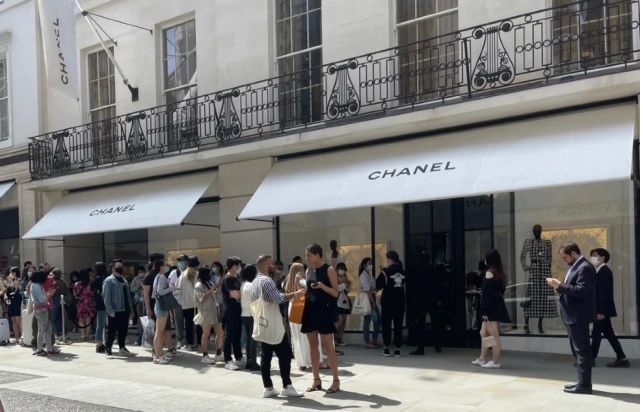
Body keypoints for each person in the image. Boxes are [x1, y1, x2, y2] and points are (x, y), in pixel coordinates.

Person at [546, 243, 596, 395]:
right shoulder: (577, 266)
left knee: (582, 351)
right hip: (572, 316)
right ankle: (581, 382)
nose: (565, 260)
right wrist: (559, 286)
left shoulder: (585, 267)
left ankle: (584, 385)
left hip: (578, 316)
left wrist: (559, 285)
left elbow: (581, 291)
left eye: (565, 257)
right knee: (579, 351)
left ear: (573, 253)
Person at [251, 254, 303, 398]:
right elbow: (276, 299)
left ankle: (268, 388)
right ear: (266, 265)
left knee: (265, 356)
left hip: (262, 324)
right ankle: (287, 385)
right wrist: (295, 294)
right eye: (271, 263)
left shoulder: (255, 281)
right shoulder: (266, 281)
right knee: (285, 355)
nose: (273, 265)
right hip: (273, 324)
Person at [302, 244, 341, 394]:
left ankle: (336, 380)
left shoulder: (329, 269)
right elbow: (308, 290)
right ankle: (316, 379)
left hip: (324, 310)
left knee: (327, 344)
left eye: (309, 255)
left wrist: (323, 287)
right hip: (310, 310)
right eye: (306, 255)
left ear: (318, 255)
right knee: (312, 344)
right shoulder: (308, 270)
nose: (307, 258)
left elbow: (336, 293)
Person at [589, 248, 629, 367]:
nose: (592, 258)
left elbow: (603, 293)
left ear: (603, 257)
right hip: (603, 310)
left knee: (596, 334)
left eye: (595, 255)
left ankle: (590, 359)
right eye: (591, 256)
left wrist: (600, 311)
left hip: (602, 310)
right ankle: (622, 358)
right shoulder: (599, 271)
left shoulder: (604, 271)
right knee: (609, 334)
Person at [472, 250, 511, 368]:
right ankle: (482, 358)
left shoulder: (489, 273)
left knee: (492, 335)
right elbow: (498, 292)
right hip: (495, 307)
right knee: (485, 333)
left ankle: (495, 362)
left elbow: (487, 295)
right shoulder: (500, 273)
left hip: (490, 309)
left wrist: (484, 311)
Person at [102, 259, 135, 358]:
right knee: (112, 330)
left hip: (125, 309)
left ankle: (122, 347)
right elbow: (106, 297)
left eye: (121, 266)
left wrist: (131, 309)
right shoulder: (109, 280)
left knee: (123, 330)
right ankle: (108, 349)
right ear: (113, 268)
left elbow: (128, 296)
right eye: (118, 267)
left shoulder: (124, 279)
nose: (121, 268)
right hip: (115, 310)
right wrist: (110, 310)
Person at [377, 251, 406, 358]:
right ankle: (397, 349)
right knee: (398, 326)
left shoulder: (386, 272)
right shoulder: (403, 272)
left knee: (386, 325)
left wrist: (382, 271)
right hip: (400, 302)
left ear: (389, 259)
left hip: (388, 302)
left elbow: (378, 285)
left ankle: (386, 349)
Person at [151, 258, 180, 364]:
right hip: (162, 307)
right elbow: (160, 292)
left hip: (159, 306)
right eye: (165, 265)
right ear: (161, 267)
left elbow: (155, 293)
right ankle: (158, 356)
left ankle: (159, 354)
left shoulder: (158, 276)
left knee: (159, 332)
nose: (166, 266)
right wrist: (171, 288)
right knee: (159, 332)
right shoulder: (162, 277)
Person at [221, 256, 243, 370]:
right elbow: (235, 294)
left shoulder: (236, 278)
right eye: (236, 265)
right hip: (230, 311)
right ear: (231, 266)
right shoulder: (227, 279)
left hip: (238, 310)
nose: (238, 267)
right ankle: (227, 360)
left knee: (237, 335)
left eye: (239, 265)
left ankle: (238, 357)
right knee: (229, 335)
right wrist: (243, 293)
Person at [194, 267, 219, 364]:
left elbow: (211, 295)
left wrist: (214, 292)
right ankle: (204, 355)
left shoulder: (208, 283)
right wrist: (211, 291)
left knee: (219, 332)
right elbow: (201, 298)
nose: (210, 275)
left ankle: (219, 352)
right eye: (208, 273)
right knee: (206, 334)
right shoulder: (198, 285)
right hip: (205, 311)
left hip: (213, 310)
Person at [29, 271, 57, 356]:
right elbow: (42, 299)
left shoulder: (35, 285)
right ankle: (40, 349)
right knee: (42, 330)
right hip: (41, 310)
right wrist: (50, 293)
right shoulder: (36, 286)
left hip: (41, 309)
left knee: (47, 329)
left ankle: (47, 348)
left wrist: (48, 292)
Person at [176, 256, 200, 350]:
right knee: (199, 324)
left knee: (189, 324)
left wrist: (181, 302)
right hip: (198, 303)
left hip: (187, 304)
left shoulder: (183, 275)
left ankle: (189, 344)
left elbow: (177, 291)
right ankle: (199, 343)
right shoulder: (198, 274)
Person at [240, 264, 260, 371]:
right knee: (253, 340)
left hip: (244, 313)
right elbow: (256, 300)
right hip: (252, 314)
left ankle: (249, 360)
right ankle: (253, 362)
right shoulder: (251, 285)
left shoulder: (243, 284)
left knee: (248, 339)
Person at [358, 257, 380, 348]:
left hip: (372, 299)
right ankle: (368, 341)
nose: (371, 265)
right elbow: (367, 291)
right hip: (368, 300)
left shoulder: (370, 276)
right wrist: (373, 303)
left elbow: (374, 288)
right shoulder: (363, 276)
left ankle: (372, 340)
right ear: (364, 265)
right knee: (371, 320)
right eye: (369, 263)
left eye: (371, 263)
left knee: (375, 320)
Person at [169, 255, 187, 347]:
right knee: (178, 321)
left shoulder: (191, 272)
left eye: (184, 261)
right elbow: (170, 285)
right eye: (180, 261)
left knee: (190, 321)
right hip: (177, 301)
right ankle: (180, 339)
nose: (182, 263)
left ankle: (190, 340)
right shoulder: (174, 273)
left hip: (189, 301)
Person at [91, 262, 108, 353]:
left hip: (99, 303)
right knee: (105, 324)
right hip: (107, 303)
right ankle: (101, 344)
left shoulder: (95, 280)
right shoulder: (106, 278)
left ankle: (99, 344)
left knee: (100, 324)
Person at [73, 269, 95, 341]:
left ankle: (83, 335)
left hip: (80, 303)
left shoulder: (77, 284)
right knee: (88, 319)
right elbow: (92, 294)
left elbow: (75, 294)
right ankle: (88, 335)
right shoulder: (90, 284)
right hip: (89, 303)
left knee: (81, 319)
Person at [210, 261, 226, 360]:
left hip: (222, 303)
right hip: (213, 303)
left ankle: (219, 349)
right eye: (213, 267)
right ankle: (218, 351)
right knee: (218, 328)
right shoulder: (210, 278)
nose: (214, 268)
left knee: (221, 328)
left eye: (216, 267)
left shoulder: (224, 277)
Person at [334, 262, 351, 347]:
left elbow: (348, 290)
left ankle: (339, 338)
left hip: (345, 302)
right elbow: (336, 289)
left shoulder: (345, 278)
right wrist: (344, 284)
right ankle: (333, 338)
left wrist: (347, 284)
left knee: (344, 321)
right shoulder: (334, 277)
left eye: (344, 269)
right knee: (339, 320)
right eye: (341, 269)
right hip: (337, 302)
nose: (343, 271)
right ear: (337, 269)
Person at [130, 266, 146, 346]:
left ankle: (145, 335)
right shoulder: (135, 279)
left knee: (146, 317)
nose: (141, 274)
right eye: (140, 272)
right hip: (138, 301)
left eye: (142, 272)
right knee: (140, 317)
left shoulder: (147, 278)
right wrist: (138, 287)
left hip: (146, 301)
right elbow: (132, 289)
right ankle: (140, 333)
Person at [5, 267, 22, 343]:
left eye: (11, 272)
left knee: (18, 321)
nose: (10, 274)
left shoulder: (18, 280)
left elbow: (15, 290)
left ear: (14, 273)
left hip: (17, 302)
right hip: (11, 303)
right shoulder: (11, 282)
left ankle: (22, 336)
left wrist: (10, 282)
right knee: (13, 321)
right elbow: (8, 291)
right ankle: (17, 338)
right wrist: (6, 296)